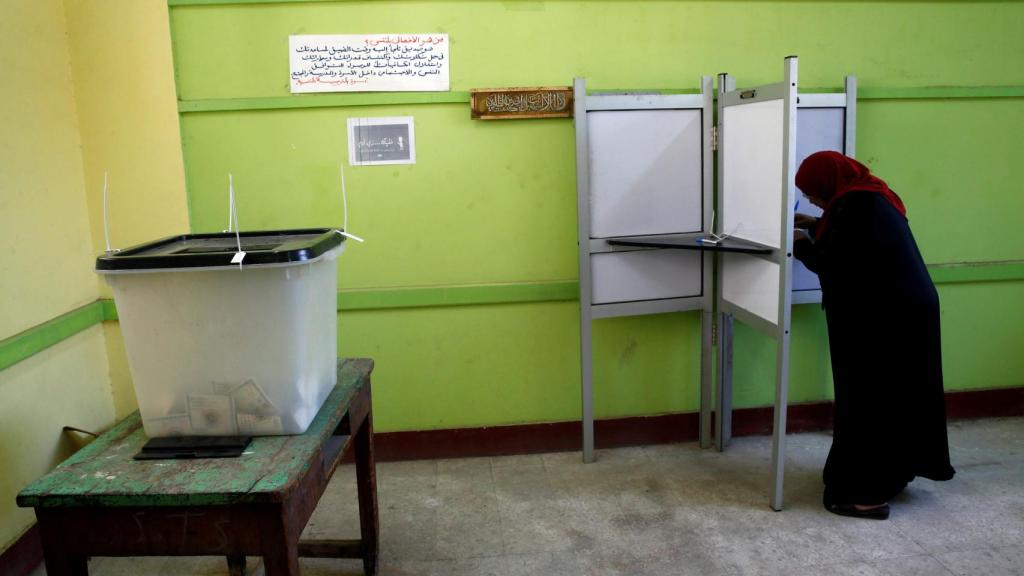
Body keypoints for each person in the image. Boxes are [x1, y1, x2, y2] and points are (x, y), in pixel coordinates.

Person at [793, 151, 955, 520]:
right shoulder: (867, 195)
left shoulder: (855, 207)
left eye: (813, 193)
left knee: (867, 400)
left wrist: (800, 241)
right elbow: (853, 241)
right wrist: (818, 224)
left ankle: (864, 494)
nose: (814, 200)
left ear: (828, 183)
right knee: (895, 398)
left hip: (885, 320)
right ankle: (891, 475)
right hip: (903, 313)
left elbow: (833, 262)